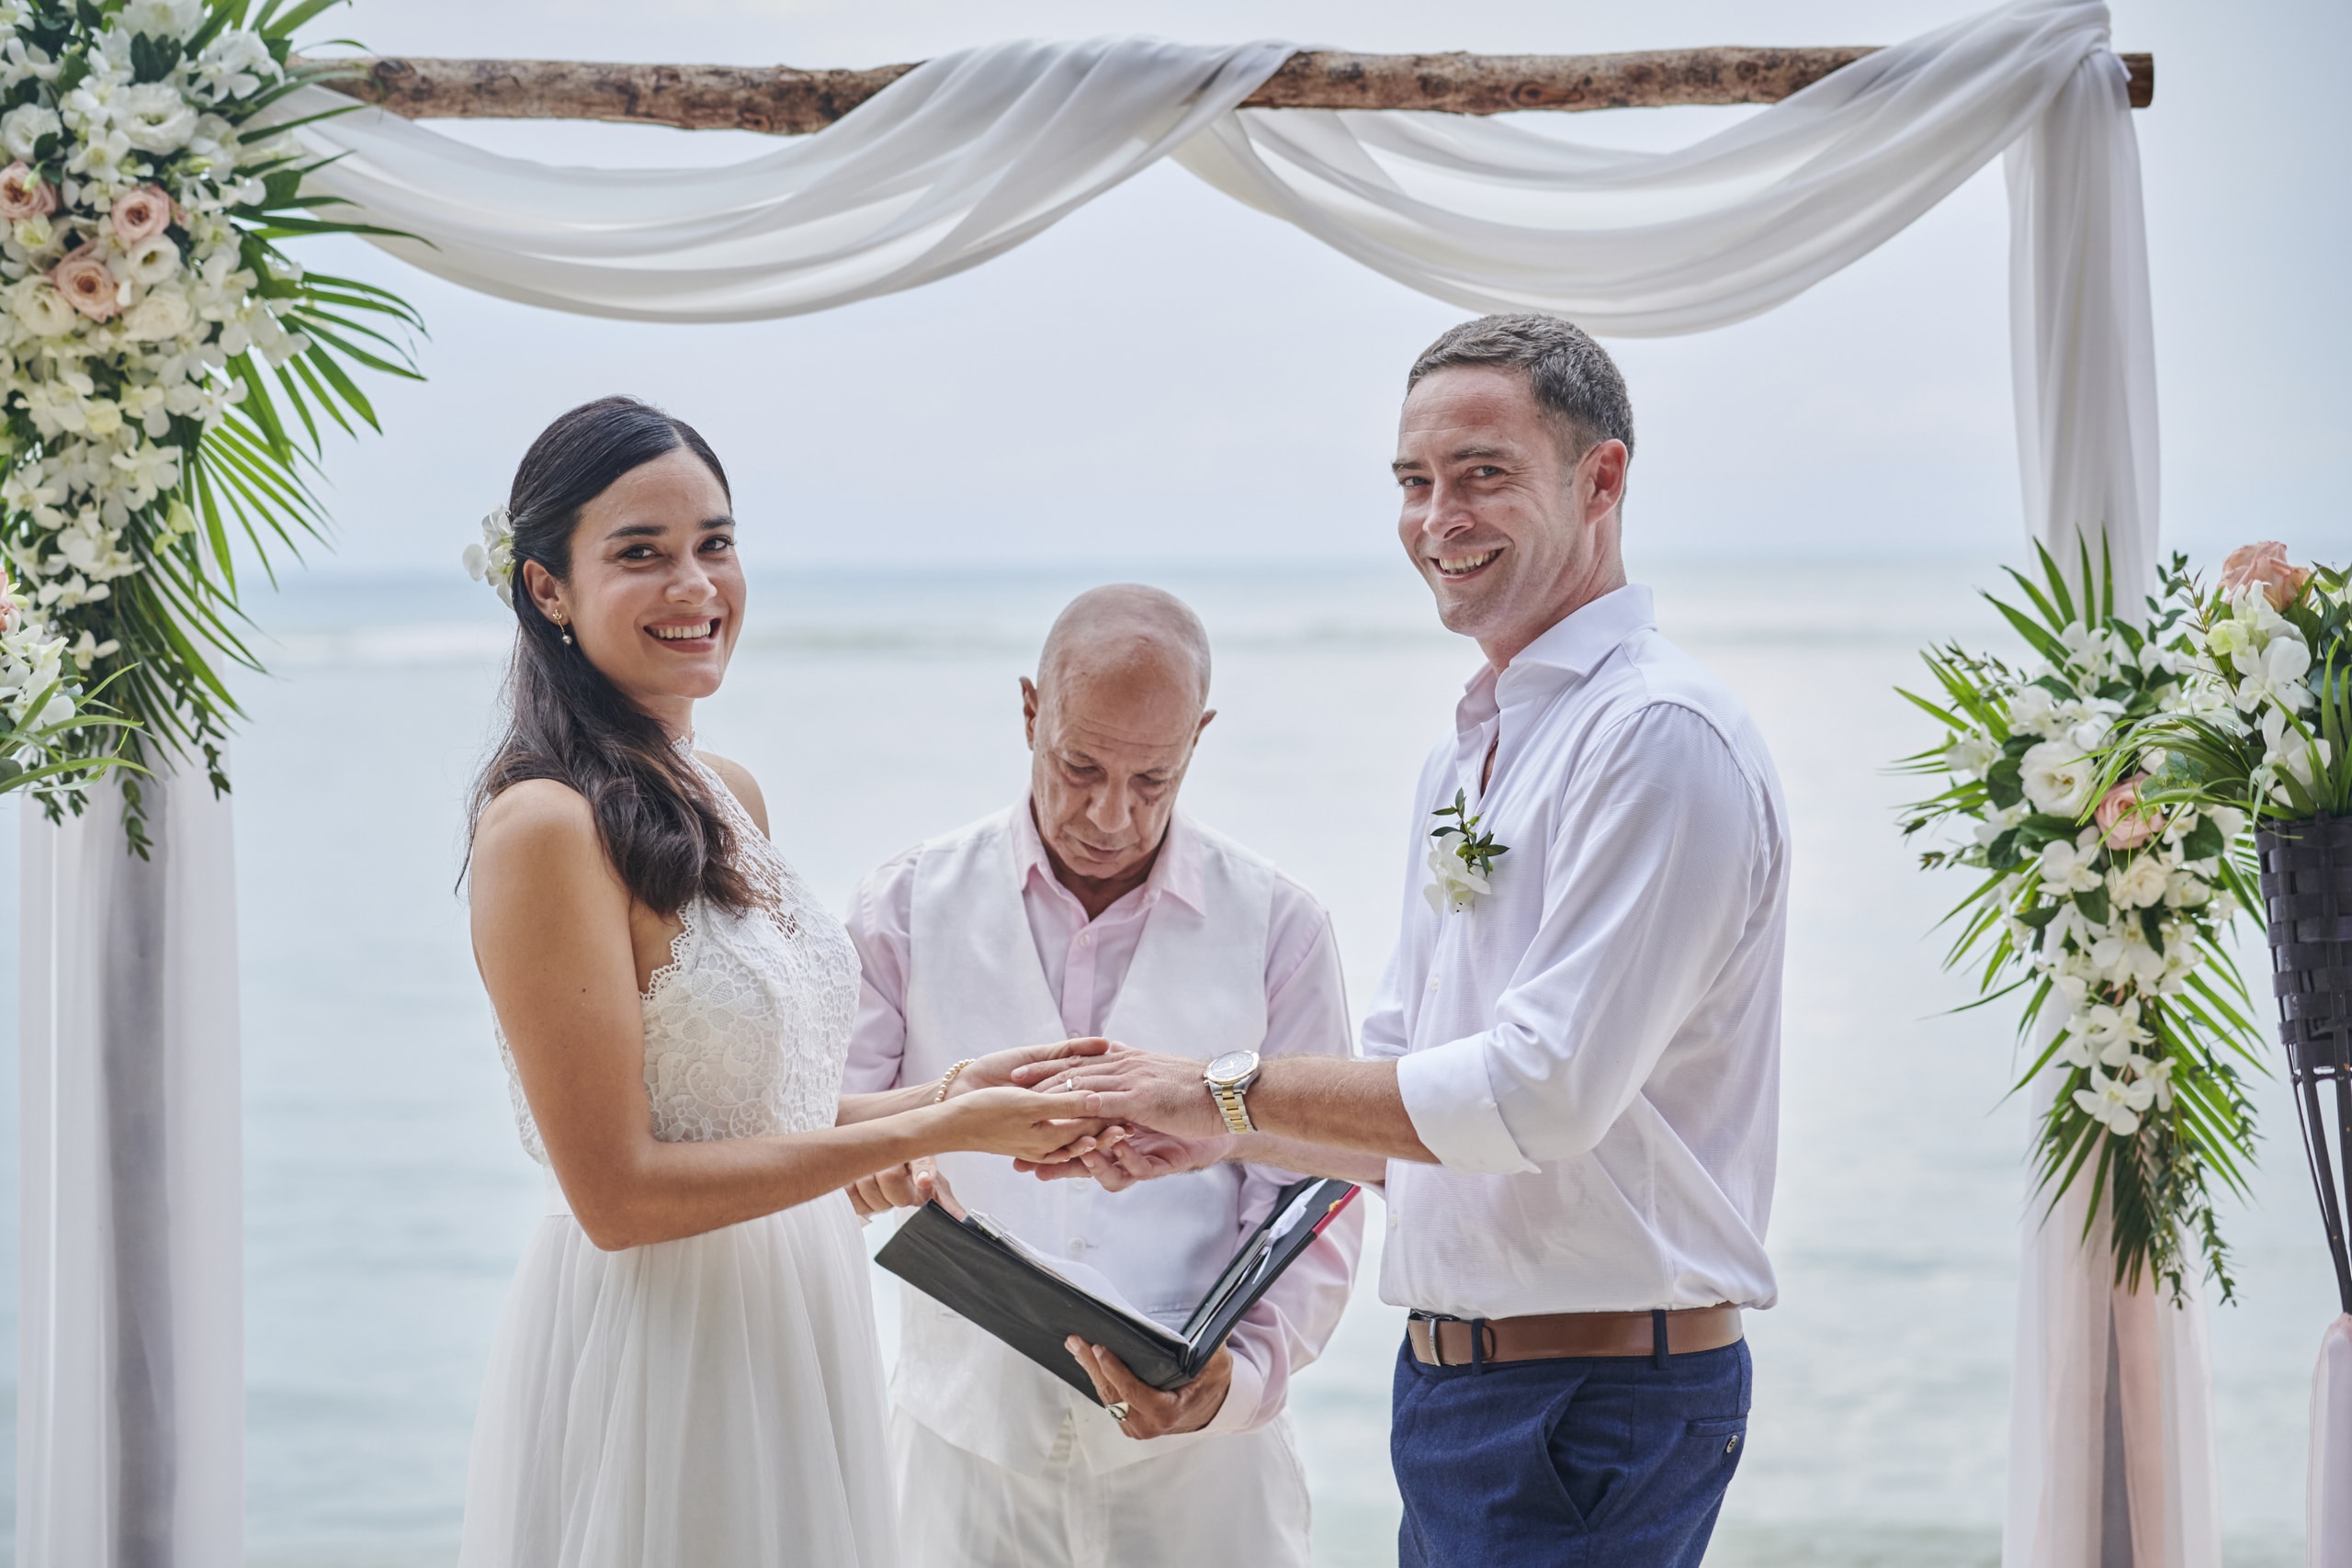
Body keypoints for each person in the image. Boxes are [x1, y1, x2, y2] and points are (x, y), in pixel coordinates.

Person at [1013, 315, 1789, 1568]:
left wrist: (1210, 1085)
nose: (1438, 518)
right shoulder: (1468, 751)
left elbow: (1539, 1093)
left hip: (1595, 1405)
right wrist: (1212, 1137)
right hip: (1459, 1397)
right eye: (1414, 481)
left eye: (1482, 473)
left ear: (1600, 480)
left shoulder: (1656, 738)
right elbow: (1405, 1079)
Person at [457, 396, 1102, 1568]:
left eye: (715, 542)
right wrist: (940, 1128)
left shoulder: (728, 792)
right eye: (640, 553)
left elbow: (750, 1113)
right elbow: (619, 1195)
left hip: (796, 1311)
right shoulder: (543, 827)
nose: (695, 585)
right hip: (661, 1347)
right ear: (547, 588)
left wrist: (948, 1094)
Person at [839, 583, 1365, 1568]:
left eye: (1152, 779)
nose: (1111, 814)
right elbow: (824, 1146)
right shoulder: (901, 907)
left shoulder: (1280, 927)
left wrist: (1238, 1382)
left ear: (1198, 739)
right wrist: (887, 1162)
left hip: (1209, 1480)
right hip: (963, 1453)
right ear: (1030, 710)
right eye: (1079, 767)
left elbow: (1318, 1187)